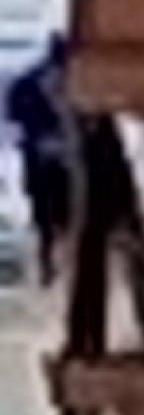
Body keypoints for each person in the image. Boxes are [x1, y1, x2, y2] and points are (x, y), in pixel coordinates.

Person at [7, 37, 76, 288]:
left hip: (43, 157)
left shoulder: (27, 82)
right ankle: (53, 266)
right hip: (51, 158)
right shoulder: (69, 83)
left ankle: (51, 266)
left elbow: (15, 117)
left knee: (49, 219)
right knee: (54, 218)